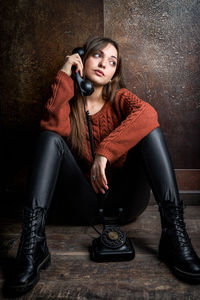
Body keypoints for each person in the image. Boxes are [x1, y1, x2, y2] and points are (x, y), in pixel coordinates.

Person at [5, 36, 200, 294]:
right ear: (81, 59)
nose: (103, 64)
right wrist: (65, 76)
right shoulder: (70, 104)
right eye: (97, 55)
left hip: (126, 201)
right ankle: (33, 245)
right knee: (49, 138)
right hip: (85, 203)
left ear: (113, 73)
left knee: (150, 130)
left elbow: (148, 114)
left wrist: (104, 153)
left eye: (111, 62)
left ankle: (174, 236)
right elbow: (52, 127)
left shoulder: (120, 98)